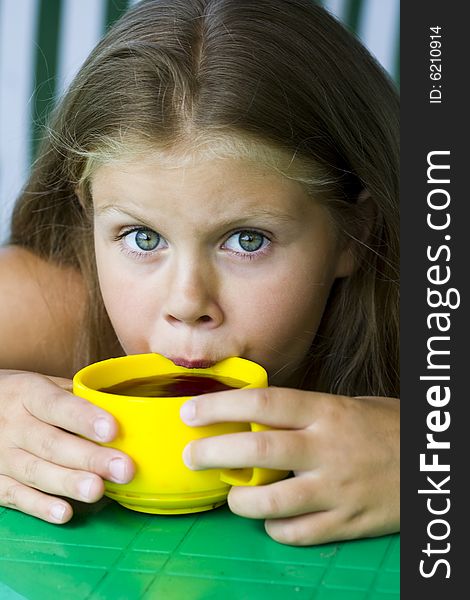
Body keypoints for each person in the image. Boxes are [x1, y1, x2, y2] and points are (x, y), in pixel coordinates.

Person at [0, 0, 399, 546]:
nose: (187, 302)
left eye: (247, 240)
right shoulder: (55, 304)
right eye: (142, 238)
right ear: (90, 214)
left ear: (352, 233)